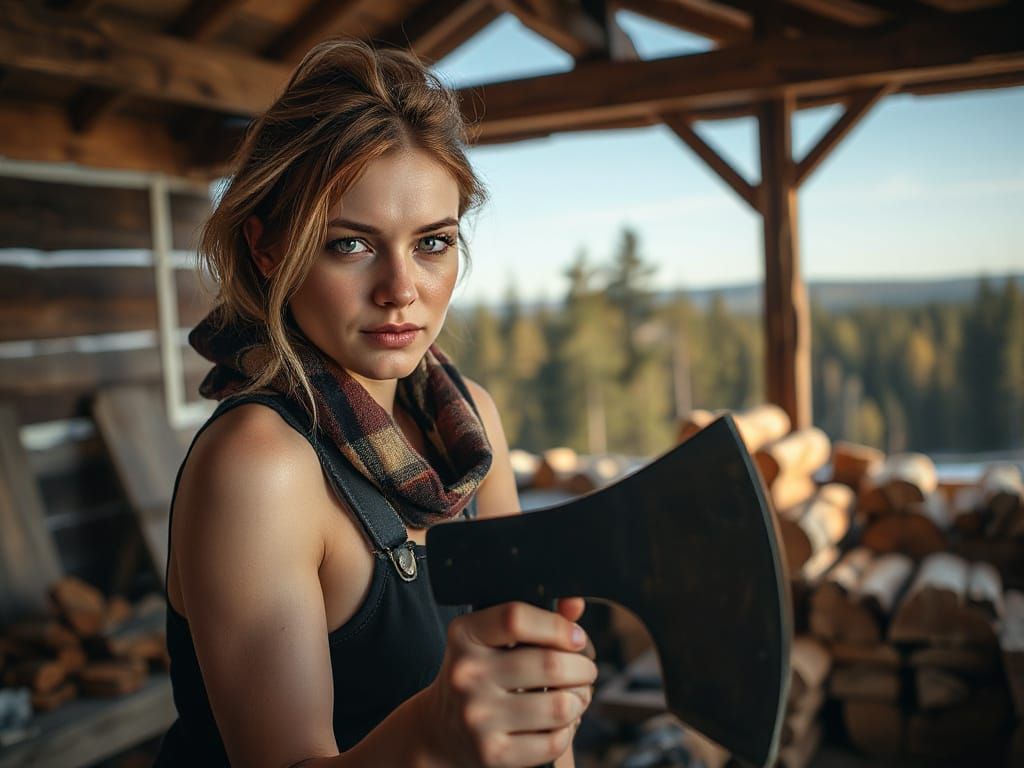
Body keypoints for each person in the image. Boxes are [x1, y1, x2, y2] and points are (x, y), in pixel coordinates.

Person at [153, 38, 597, 768]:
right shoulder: (260, 466)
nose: (401, 288)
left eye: (432, 242)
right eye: (351, 245)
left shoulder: (470, 424)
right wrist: (430, 736)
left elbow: (531, 718)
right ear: (268, 250)